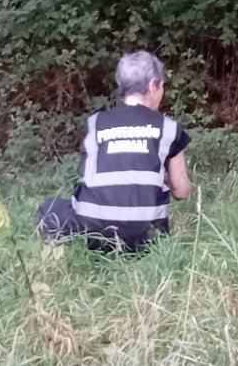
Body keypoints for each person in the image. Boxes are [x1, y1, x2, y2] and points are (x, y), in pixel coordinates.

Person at [36, 51, 191, 252]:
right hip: (148, 239)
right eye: (162, 85)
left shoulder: (95, 123)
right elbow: (182, 191)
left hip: (93, 235)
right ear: (153, 85)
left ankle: (56, 256)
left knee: (48, 208)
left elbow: (88, 176)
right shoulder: (169, 128)